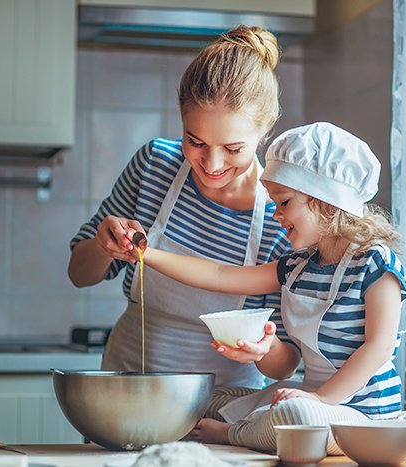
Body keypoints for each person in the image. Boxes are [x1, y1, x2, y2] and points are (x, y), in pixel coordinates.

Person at [137, 122, 406, 454]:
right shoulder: (297, 266)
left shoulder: (375, 264)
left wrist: (320, 398)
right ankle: (251, 423)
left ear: (324, 200)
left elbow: (379, 347)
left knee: (296, 414)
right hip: (311, 400)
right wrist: (144, 253)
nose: (276, 214)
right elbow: (221, 275)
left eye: (284, 202)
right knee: (211, 397)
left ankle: (231, 434)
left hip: (363, 418)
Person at [67, 25, 293, 415]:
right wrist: (104, 247)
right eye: (196, 141)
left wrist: (263, 349)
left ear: (264, 131)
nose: (212, 163)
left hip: (221, 411)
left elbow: (285, 361)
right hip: (125, 393)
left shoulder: (281, 212)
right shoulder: (154, 165)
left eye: (233, 148)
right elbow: (79, 273)